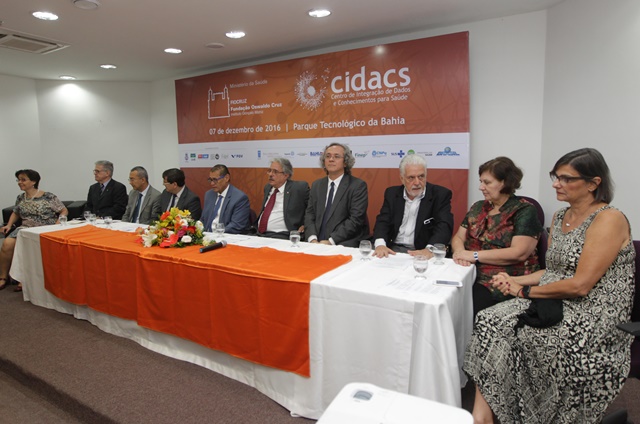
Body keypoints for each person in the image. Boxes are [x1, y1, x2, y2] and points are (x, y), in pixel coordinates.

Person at [464, 148, 635, 424]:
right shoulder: (560, 216)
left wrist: (523, 291)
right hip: (556, 299)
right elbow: (553, 272)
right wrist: (514, 280)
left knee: (531, 337)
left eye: (566, 178)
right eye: (556, 177)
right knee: (488, 320)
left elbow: (580, 285)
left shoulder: (609, 218)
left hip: (594, 313)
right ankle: (483, 416)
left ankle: (536, 415)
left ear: (593, 183)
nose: (556, 184)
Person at [451, 156, 542, 316]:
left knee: (462, 307)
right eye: (481, 181)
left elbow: (519, 253)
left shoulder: (524, 210)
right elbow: (458, 237)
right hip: (467, 271)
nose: (481, 187)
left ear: (505, 182)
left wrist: (473, 255)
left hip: (501, 279)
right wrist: (460, 253)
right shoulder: (478, 207)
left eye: (487, 182)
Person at [372, 154, 453, 258]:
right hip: (393, 249)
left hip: (422, 250)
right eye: (411, 178)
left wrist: (430, 250)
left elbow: (444, 226)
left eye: (421, 176)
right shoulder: (392, 194)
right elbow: (383, 222)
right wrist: (380, 245)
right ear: (402, 179)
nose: (417, 182)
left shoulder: (440, 195)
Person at [1, 169, 68, 291]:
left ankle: (24, 278)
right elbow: (16, 212)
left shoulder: (48, 196)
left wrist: (57, 225)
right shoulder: (21, 197)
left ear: (33, 182)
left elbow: (64, 210)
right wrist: (9, 225)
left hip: (45, 228)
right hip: (25, 228)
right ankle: (3, 277)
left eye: (23, 180)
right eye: (18, 180)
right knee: (7, 243)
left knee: (27, 246)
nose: (20, 182)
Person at [304, 142, 368, 247]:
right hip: (316, 242)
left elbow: (355, 220)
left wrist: (331, 241)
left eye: (336, 156)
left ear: (345, 162)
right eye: (328, 156)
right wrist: (312, 239)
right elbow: (310, 214)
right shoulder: (317, 185)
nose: (331, 159)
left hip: (343, 242)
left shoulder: (357, 186)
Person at [255, 158, 309, 239]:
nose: (270, 174)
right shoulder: (268, 187)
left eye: (275, 172)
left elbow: (312, 210)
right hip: (259, 234)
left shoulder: (298, 188)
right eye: (269, 171)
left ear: (286, 175)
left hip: (282, 235)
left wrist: (305, 225)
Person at [201, 164, 250, 234]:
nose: (212, 183)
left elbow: (236, 226)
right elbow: (203, 219)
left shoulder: (239, 198)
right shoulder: (209, 195)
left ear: (226, 178)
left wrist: (216, 233)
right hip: (207, 236)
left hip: (225, 236)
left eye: (215, 180)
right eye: (210, 180)